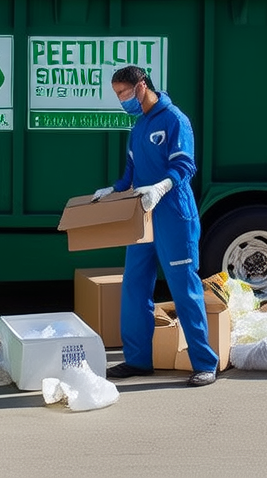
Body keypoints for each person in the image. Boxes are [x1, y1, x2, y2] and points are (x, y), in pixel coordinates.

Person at [92, 65, 219, 387]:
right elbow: (131, 171)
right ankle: (137, 360)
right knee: (134, 286)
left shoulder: (174, 119)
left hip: (173, 214)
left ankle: (205, 363)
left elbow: (185, 165)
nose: (121, 100)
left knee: (184, 289)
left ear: (141, 86)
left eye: (123, 93)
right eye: (117, 94)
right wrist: (115, 189)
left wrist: (162, 187)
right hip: (142, 216)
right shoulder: (138, 127)